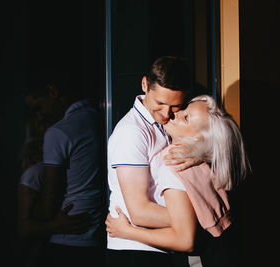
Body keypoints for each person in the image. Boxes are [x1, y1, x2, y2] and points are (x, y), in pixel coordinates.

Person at [106, 95, 250, 267]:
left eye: (186, 118)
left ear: (199, 138)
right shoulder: (203, 161)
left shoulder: (174, 164)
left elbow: (184, 240)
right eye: (184, 109)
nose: (175, 114)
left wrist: (127, 231)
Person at [106, 56, 197, 267]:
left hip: (162, 246)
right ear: (145, 84)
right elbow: (139, 212)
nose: (166, 114)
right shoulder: (132, 132)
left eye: (176, 106)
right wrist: (194, 217)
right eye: (160, 103)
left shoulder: (167, 125)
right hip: (135, 251)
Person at [30, 72, 107, 267]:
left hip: (67, 237)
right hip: (98, 235)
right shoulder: (101, 118)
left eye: (39, 106)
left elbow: (47, 206)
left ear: (53, 91)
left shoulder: (59, 131)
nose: (40, 115)